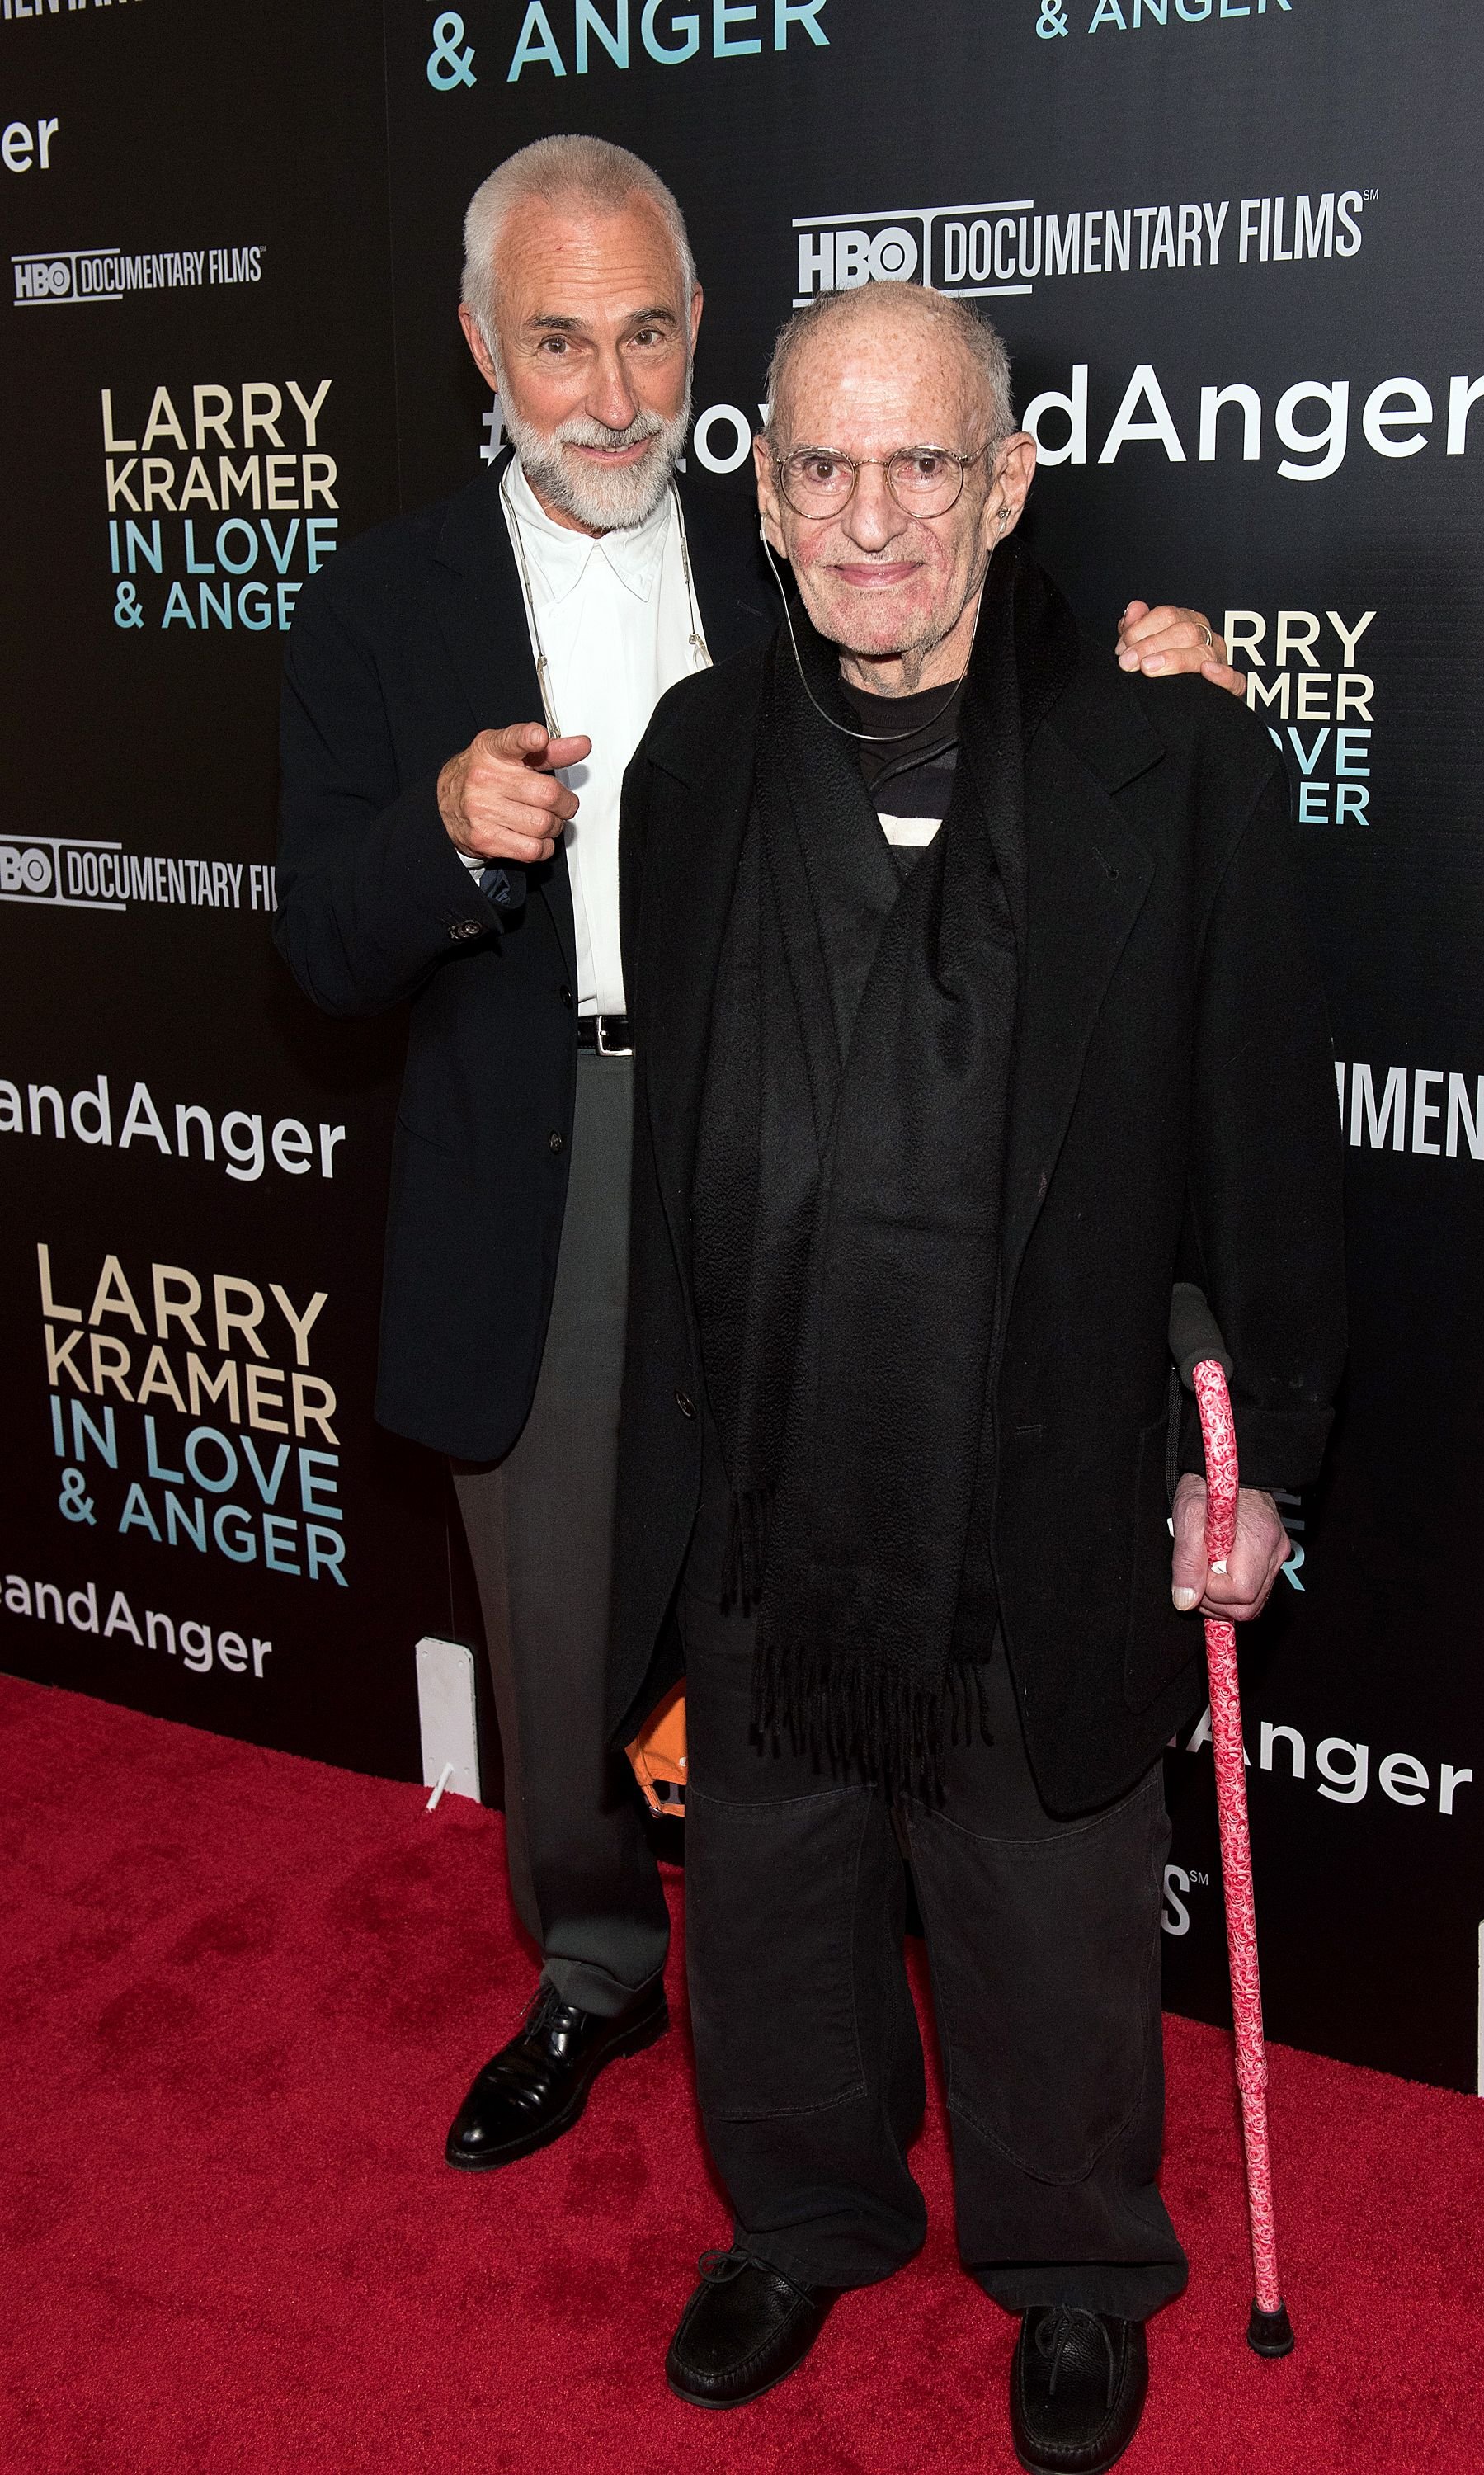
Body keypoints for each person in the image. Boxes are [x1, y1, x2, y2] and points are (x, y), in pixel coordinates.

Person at [276, 134, 1247, 2180]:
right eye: (560, 341)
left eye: (647, 332)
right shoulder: (382, 600)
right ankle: (599, 1967)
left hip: (822, 1143)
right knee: (570, 1632)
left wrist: (1153, 678)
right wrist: (442, 832)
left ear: (702, 332)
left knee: (804, 1591)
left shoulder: (803, 521)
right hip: (549, 1163)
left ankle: (851, 1982)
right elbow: (314, 939)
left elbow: (994, 661)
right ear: (480, 345)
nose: (613, 390)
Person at [606, 280, 1345, 2473]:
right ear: (759, 491)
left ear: (1008, 481)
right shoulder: (694, 765)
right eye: (820, 466)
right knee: (769, 1892)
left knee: (1042, 1915)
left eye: (923, 462)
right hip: (761, 1471)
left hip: (1040, 1465)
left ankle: (1070, 2263)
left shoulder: (1173, 754)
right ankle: (807, 2215)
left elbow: (1261, 1143)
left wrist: (1266, 1456)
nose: (870, 517)